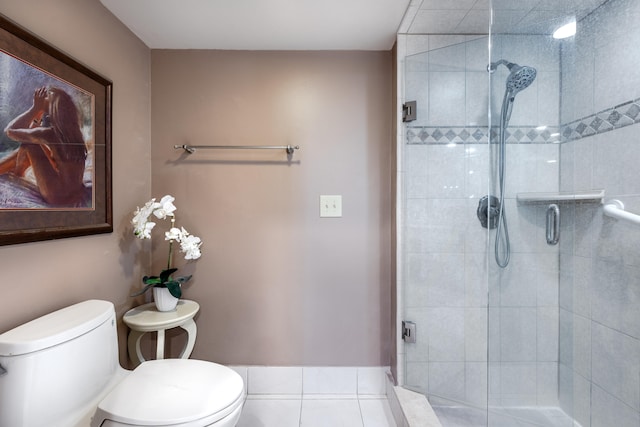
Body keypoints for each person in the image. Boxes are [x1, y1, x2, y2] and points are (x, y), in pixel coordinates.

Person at [1, 86, 88, 206]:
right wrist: (39, 113)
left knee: (29, 144)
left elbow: (9, 130)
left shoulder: (50, 134)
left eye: (46, 98)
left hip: (57, 196)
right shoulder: (74, 134)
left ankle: (17, 172)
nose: (42, 99)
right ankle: (16, 170)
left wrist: (35, 109)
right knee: (33, 143)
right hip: (74, 193)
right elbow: (32, 131)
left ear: (53, 108)